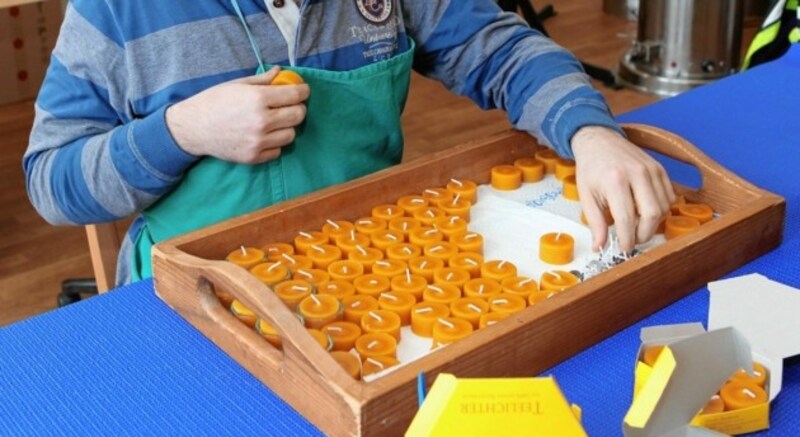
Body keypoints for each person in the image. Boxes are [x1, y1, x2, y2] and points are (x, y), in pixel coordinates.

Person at [24, 0, 674, 286]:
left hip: (370, 259)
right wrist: (178, 132)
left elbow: (496, 47)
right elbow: (51, 182)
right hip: (191, 289)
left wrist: (591, 133)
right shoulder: (112, 11)